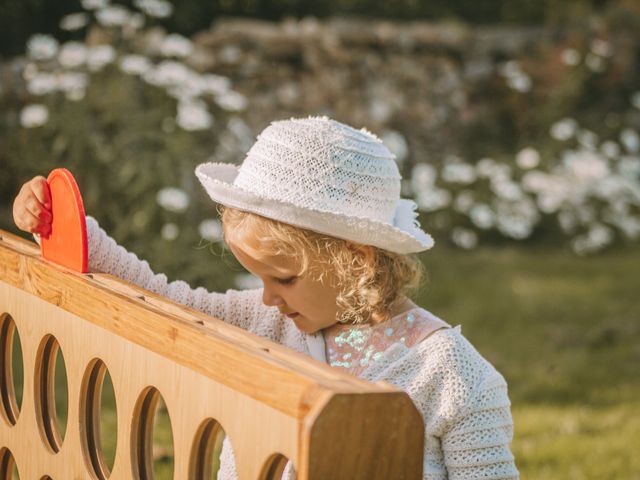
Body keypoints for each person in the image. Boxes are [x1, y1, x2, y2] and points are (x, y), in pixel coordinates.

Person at [12, 116, 519, 479]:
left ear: (358, 261)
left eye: (284, 278)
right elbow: (160, 298)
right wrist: (70, 231)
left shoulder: (452, 376)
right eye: (259, 278)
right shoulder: (263, 321)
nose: (269, 297)